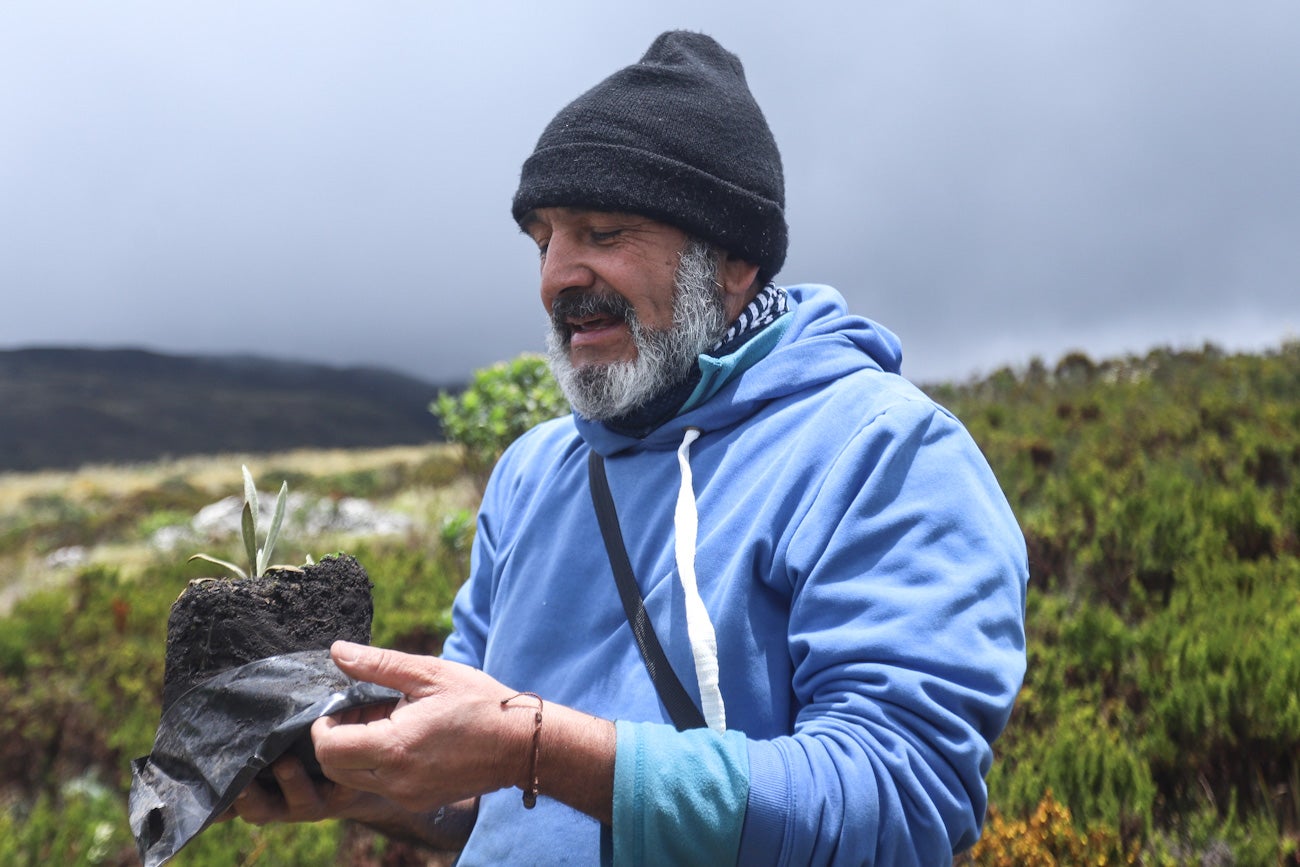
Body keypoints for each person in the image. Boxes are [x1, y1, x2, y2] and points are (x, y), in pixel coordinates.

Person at [231, 30, 1028, 865]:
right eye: (544, 239)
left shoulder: (882, 455)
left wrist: (531, 745)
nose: (554, 277)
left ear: (733, 258)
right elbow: (498, 803)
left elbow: (900, 803)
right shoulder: (533, 474)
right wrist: (367, 780)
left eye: (603, 232)